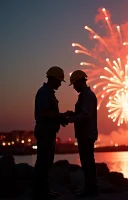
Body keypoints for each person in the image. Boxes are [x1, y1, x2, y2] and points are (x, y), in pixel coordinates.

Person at [32, 66, 69, 200]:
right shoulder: (44, 93)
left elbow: (50, 114)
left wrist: (60, 118)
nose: (60, 83)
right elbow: (44, 112)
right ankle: (40, 192)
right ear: (52, 79)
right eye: (59, 81)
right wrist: (61, 116)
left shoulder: (48, 93)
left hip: (48, 130)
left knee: (46, 161)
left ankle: (43, 190)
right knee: (44, 161)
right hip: (45, 131)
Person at [65, 70, 99, 198]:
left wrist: (70, 119)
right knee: (87, 162)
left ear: (80, 82)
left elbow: (85, 115)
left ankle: (91, 190)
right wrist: (72, 115)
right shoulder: (85, 96)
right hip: (85, 134)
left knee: (87, 162)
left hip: (86, 134)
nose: (73, 87)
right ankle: (91, 189)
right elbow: (84, 114)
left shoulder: (87, 96)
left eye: (74, 84)